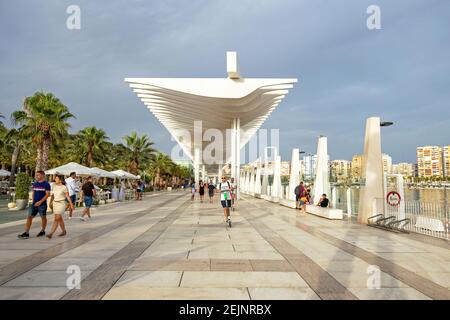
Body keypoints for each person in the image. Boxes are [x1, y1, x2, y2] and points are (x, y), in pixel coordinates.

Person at [18, 171, 51, 239]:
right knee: (29, 217)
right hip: (34, 204)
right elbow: (33, 192)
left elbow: (48, 194)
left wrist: (40, 202)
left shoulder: (46, 184)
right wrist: (33, 201)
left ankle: (43, 231)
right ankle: (26, 233)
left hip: (42, 205)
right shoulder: (35, 184)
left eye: (38, 175)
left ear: (42, 176)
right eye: (36, 175)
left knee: (43, 217)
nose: (36, 176)